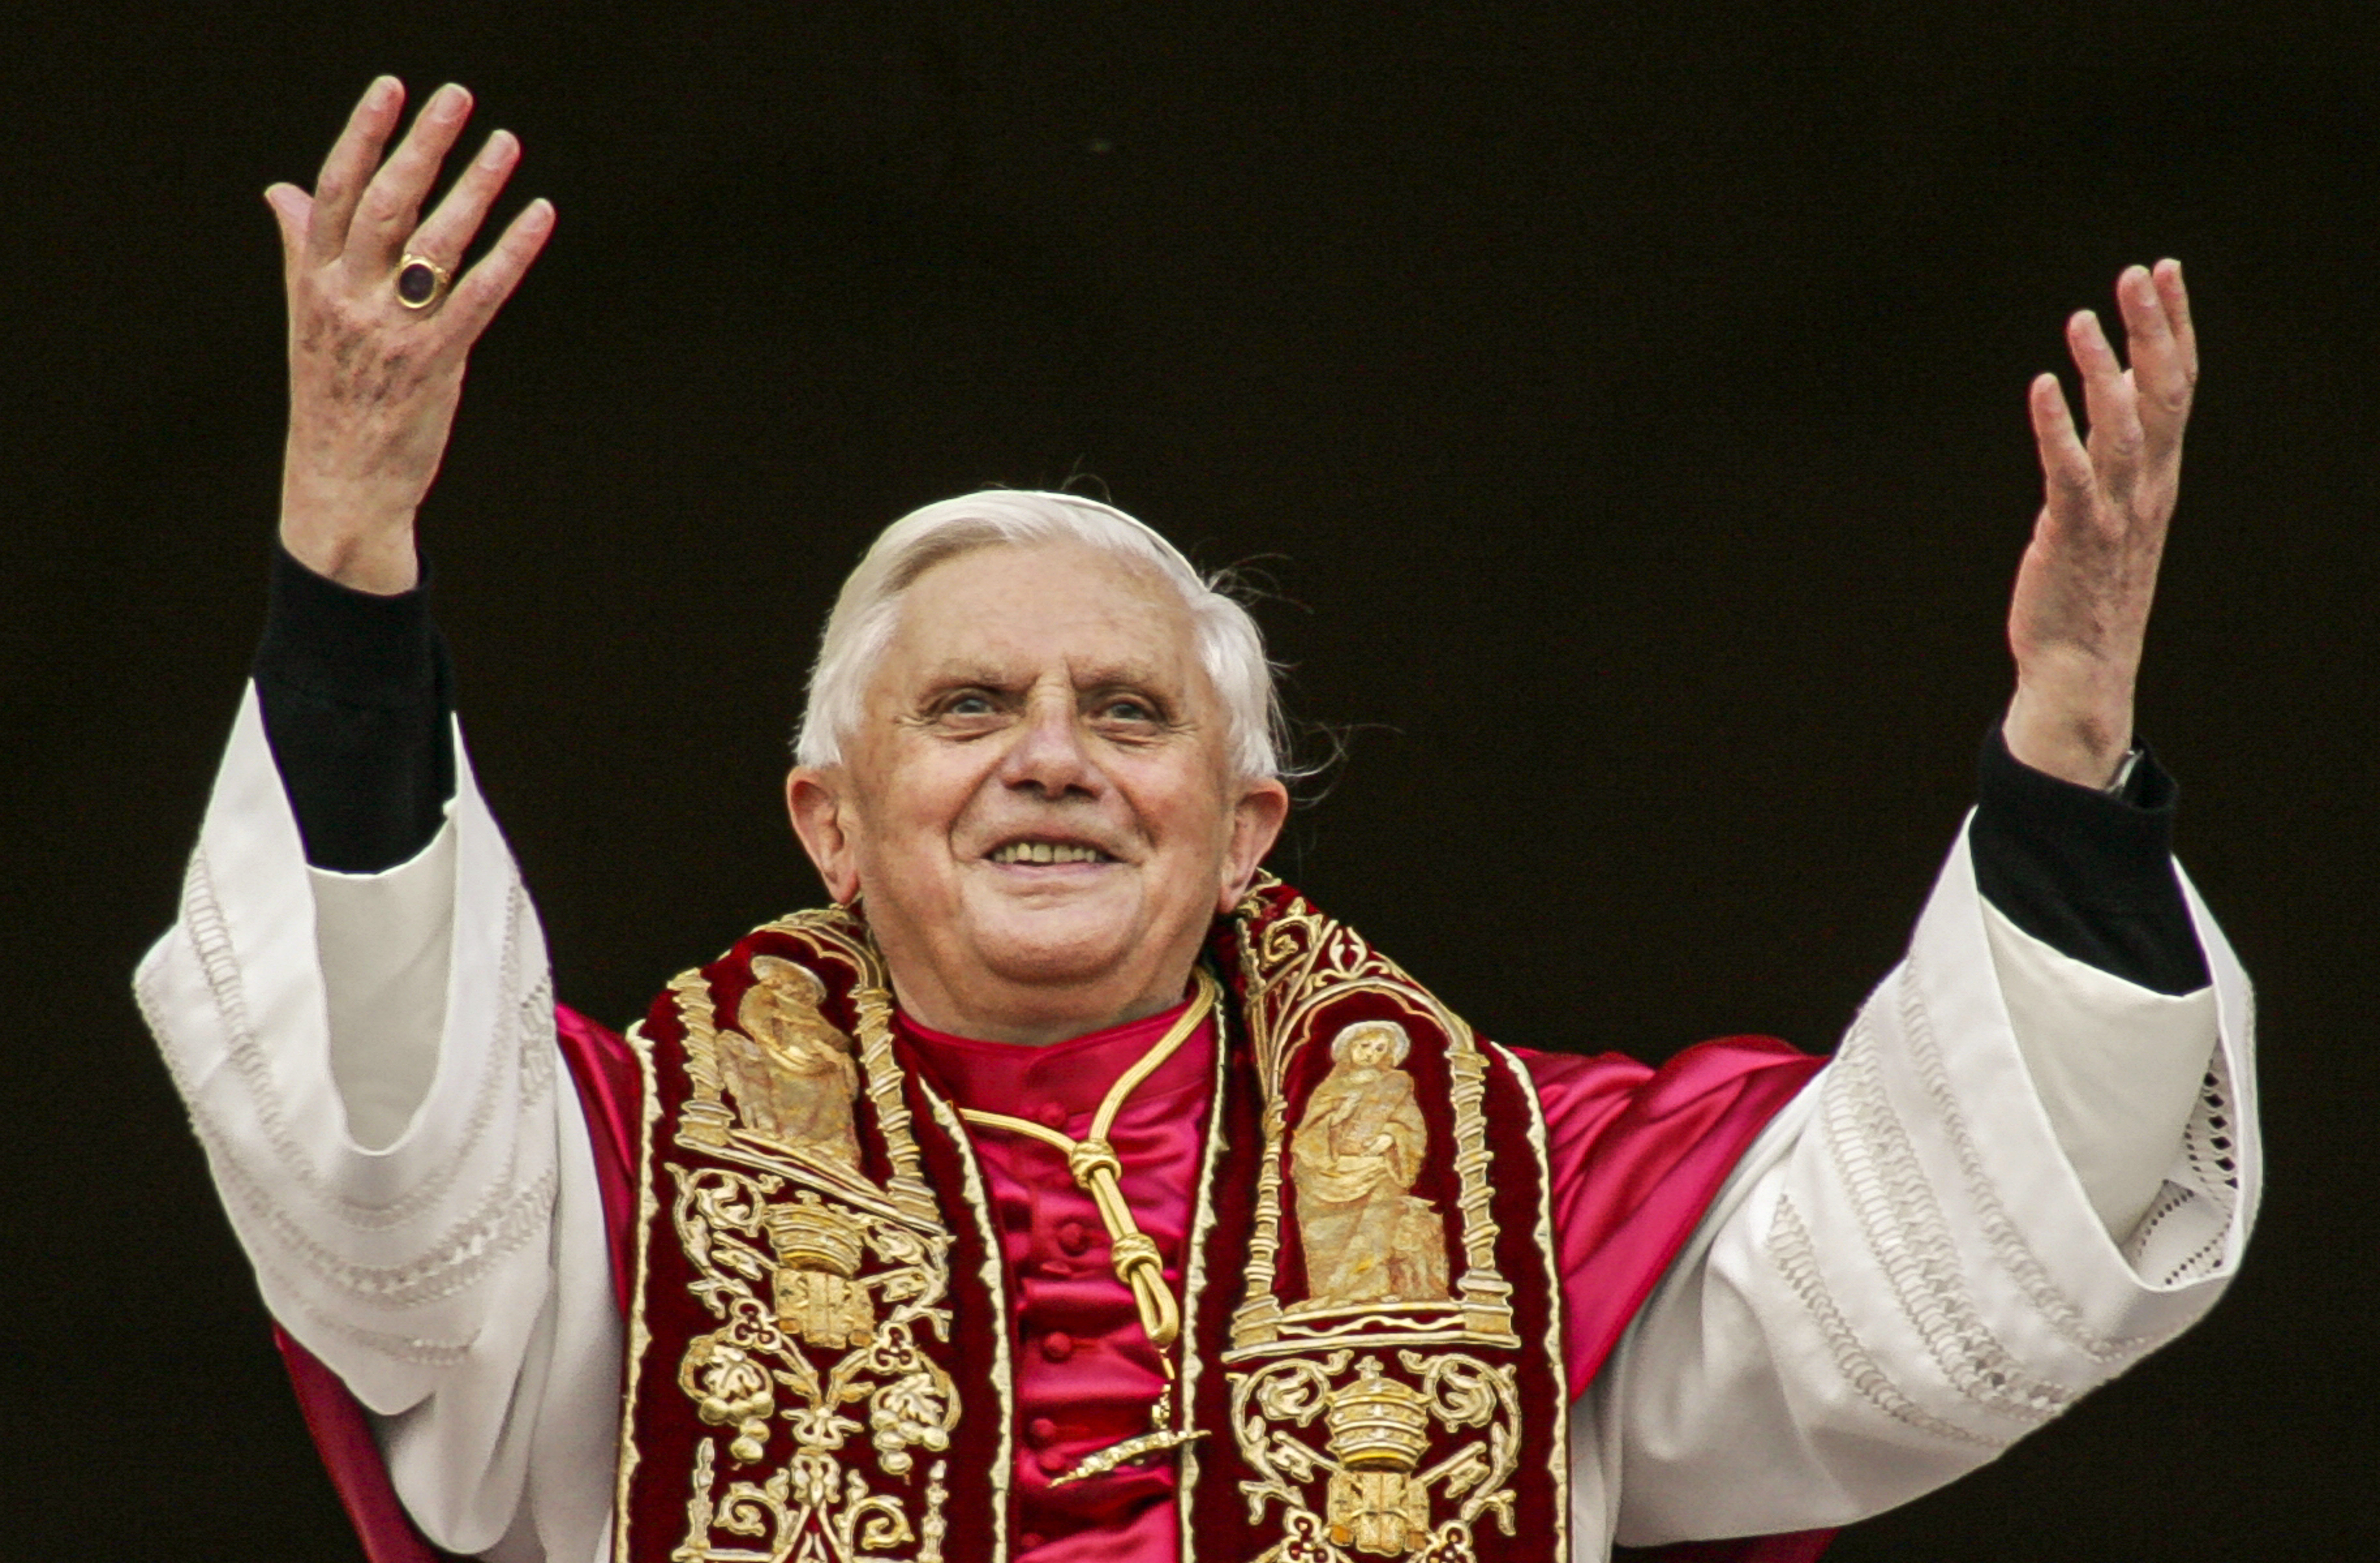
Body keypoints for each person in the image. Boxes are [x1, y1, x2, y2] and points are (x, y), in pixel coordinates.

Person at [133, 78, 2257, 1563]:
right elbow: (389, 1160)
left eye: (1125, 710)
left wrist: (2067, 734)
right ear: (831, 823)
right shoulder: (608, 1179)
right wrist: (346, 562)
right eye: (970, 706)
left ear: (1247, 832)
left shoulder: (1529, 1199)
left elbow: (1930, 1259)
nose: (1051, 750)